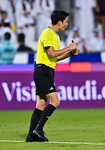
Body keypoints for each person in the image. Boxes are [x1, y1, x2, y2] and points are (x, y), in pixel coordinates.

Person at [25, 9, 80, 142]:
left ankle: (30, 136)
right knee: (55, 101)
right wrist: (69, 47)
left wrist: (70, 53)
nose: (67, 24)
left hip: (47, 71)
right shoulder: (47, 33)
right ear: (59, 22)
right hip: (42, 71)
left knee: (41, 104)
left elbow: (54, 57)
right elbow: (51, 54)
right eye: (66, 22)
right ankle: (38, 130)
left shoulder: (55, 36)